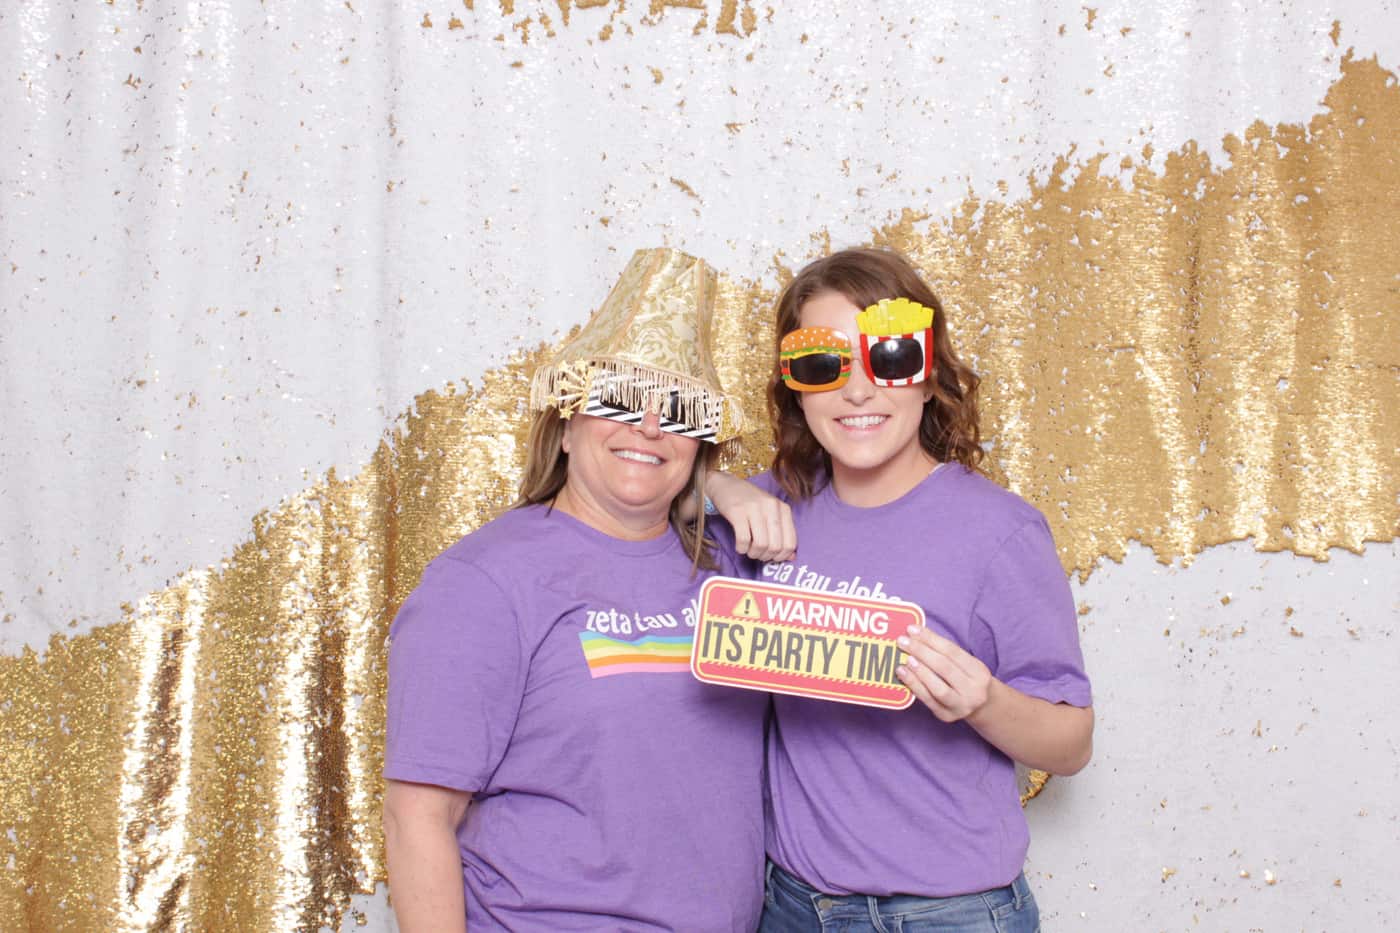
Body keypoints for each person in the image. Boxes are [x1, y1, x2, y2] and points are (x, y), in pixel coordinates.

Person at [381, 248, 790, 932]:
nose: (650, 427)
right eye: (620, 399)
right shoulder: (482, 582)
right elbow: (416, 815)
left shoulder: (728, 564)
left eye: (679, 411)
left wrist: (723, 488)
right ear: (567, 423)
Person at [718, 247, 1094, 932]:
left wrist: (986, 702)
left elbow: (1071, 745)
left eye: (889, 358)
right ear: (797, 389)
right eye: (823, 364)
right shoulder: (774, 509)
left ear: (928, 379)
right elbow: (650, 483)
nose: (857, 391)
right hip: (793, 906)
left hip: (950, 914)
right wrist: (721, 486)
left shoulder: (1000, 531)